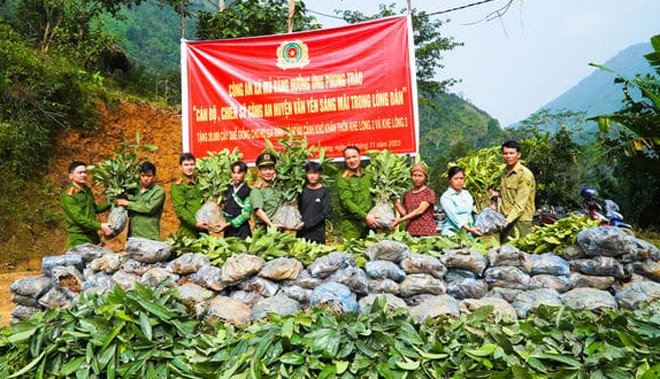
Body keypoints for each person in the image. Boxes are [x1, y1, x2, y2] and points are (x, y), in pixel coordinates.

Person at [490, 140, 536, 242]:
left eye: (511, 153)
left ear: (518, 155)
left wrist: (506, 222)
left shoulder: (525, 174)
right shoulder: (503, 173)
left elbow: (520, 203)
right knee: (505, 253)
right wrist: (497, 195)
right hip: (505, 219)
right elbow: (507, 194)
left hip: (520, 221)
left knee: (520, 253)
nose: (508, 156)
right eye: (505, 153)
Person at [61, 161, 112, 248]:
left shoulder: (88, 191)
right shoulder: (69, 196)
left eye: (85, 172)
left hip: (93, 237)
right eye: (80, 173)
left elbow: (94, 209)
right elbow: (78, 218)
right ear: (71, 176)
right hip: (79, 239)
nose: (83, 175)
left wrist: (111, 202)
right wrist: (100, 226)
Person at [116, 161, 165, 241]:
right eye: (143, 175)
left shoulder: (158, 191)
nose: (145, 179)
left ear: (154, 177)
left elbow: (149, 208)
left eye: (149, 176)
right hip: (133, 236)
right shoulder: (133, 190)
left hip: (149, 236)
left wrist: (128, 203)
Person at [337, 146, 378, 241]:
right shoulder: (344, 179)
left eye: (354, 156)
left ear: (359, 156)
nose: (352, 160)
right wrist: (365, 216)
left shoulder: (369, 175)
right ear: (345, 160)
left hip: (372, 225)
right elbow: (347, 202)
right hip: (353, 227)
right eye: (348, 158)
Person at [393, 163, 437, 236]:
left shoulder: (428, 192)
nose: (417, 178)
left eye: (420, 176)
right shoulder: (408, 195)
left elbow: (420, 210)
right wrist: (396, 203)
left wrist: (400, 220)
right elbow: (406, 214)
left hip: (426, 231)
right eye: (414, 175)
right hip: (410, 232)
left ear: (425, 177)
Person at [171, 153, 208, 238]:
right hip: (189, 231)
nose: (189, 167)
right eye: (186, 165)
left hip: (205, 229)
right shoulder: (178, 186)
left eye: (192, 164)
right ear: (180, 167)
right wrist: (195, 223)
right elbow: (180, 209)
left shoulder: (202, 182)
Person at [439, 166, 482, 237]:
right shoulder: (446, 197)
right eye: (456, 178)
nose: (459, 181)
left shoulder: (467, 194)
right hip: (453, 234)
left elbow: (471, 213)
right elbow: (454, 217)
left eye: (461, 178)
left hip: (469, 233)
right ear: (450, 180)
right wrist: (469, 229)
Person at [296, 161, 330, 244]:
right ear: (306, 174)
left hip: (317, 233)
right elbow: (298, 208)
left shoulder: (324, 191)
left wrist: (306, 223)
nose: (312, 176)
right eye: (310, 173)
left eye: (315, 173)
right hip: (302, 233)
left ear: (320, 174)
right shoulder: (301, 190)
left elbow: (324, 213)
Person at [219, 160, 252, 240]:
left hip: (242, 230)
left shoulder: (248, 191)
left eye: (239, 173)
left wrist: (230, 223)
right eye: (234, 173)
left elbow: (246, 213)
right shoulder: (226, 189)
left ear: (245, 174)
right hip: (228, 230)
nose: (236, 176)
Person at [250, 151, 283, 229]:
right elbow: (258, 211)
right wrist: (271, 226)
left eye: (270, 169)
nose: (268, 172)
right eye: (264, 169)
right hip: (264, 229)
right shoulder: (257, 189)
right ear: (259, 171)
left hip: (278, 227)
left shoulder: (277, 186)